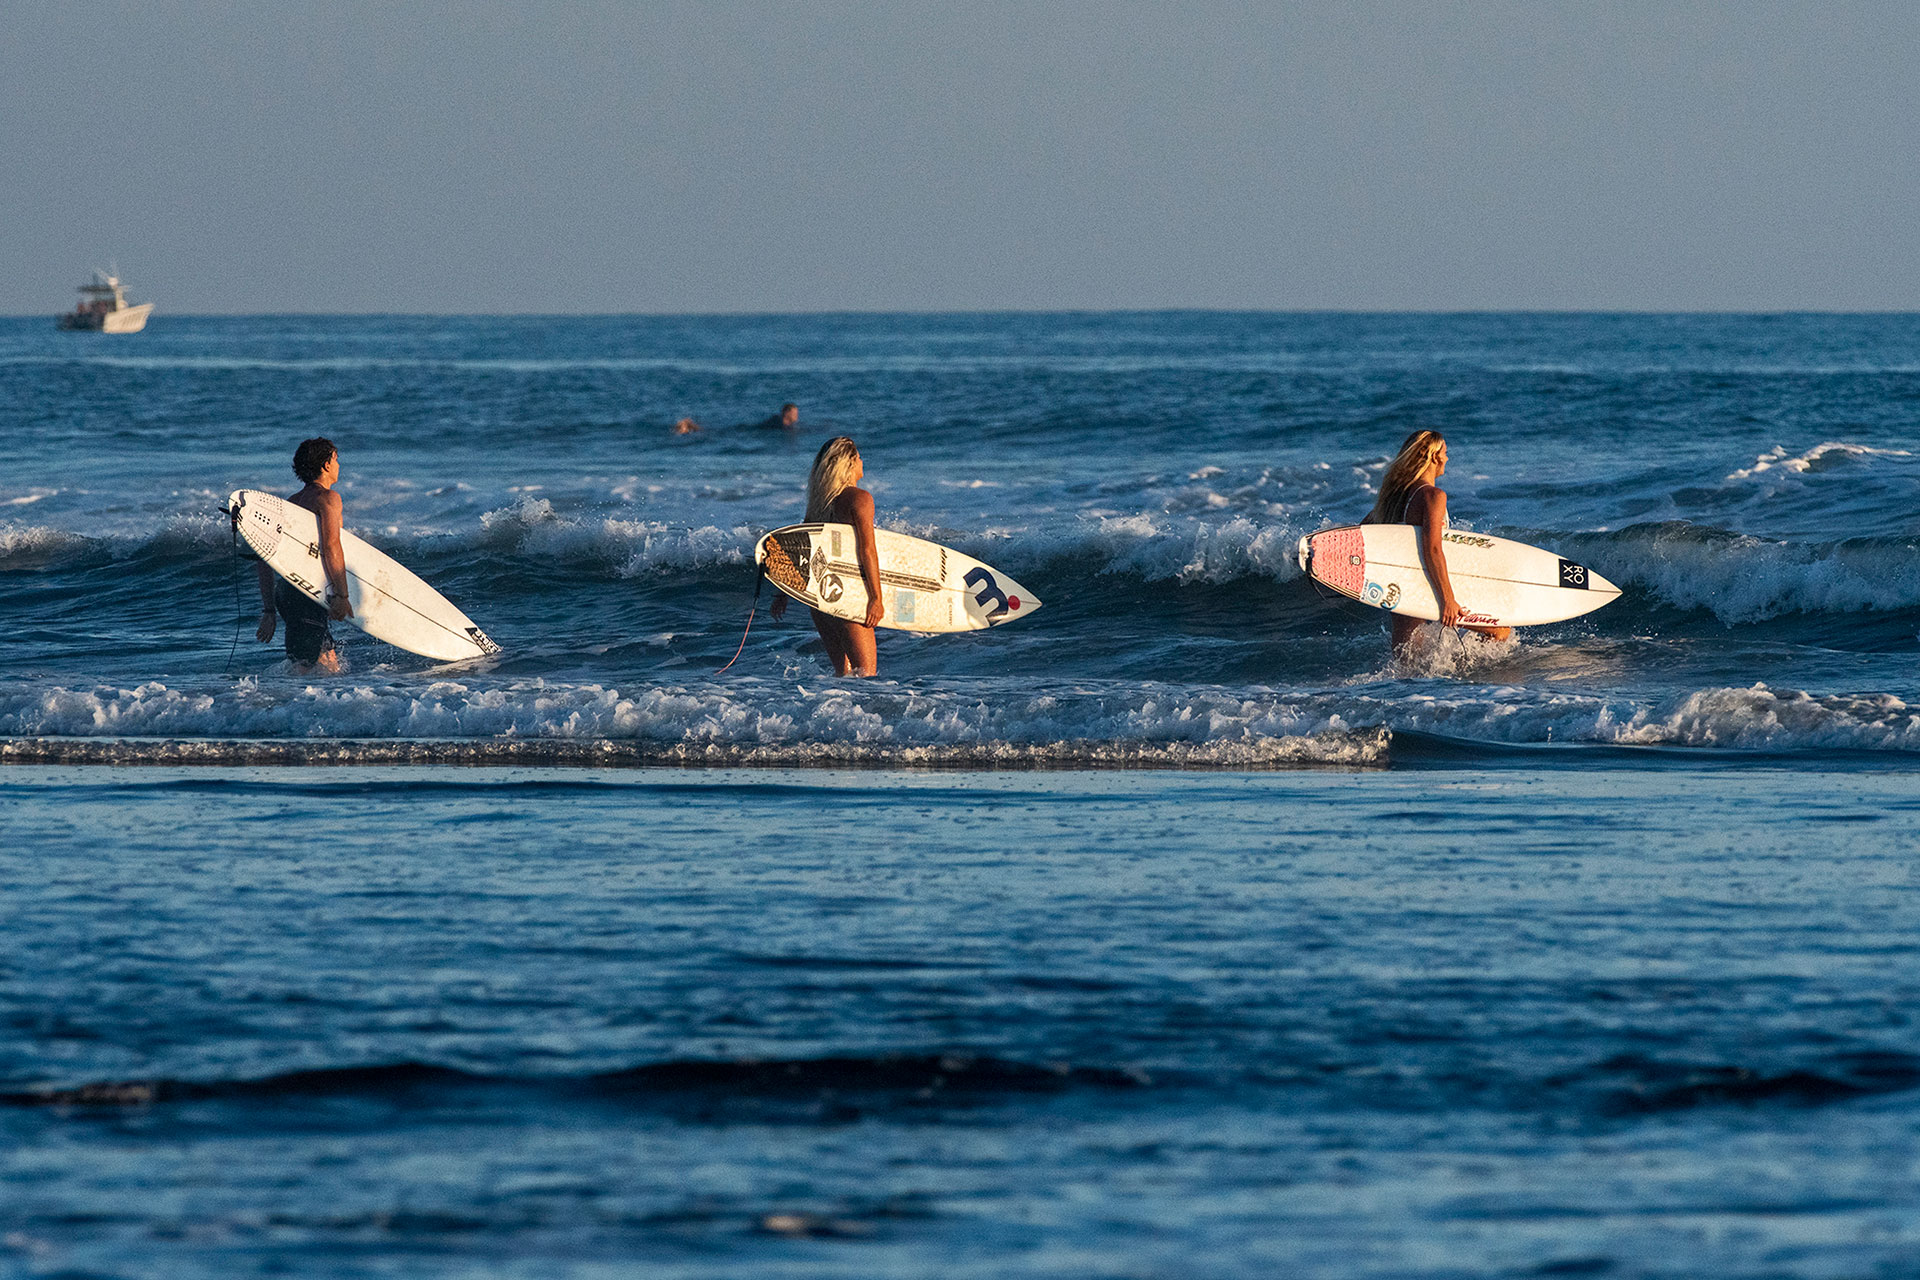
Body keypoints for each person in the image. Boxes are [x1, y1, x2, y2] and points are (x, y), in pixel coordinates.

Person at [1363, 430, 1512, 654]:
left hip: (1400, 583)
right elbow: (1432, 549)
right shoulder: (1433, 496)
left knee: (1407, 650)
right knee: (1500, 631)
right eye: (1445, 452)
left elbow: (1362, 532)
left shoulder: (1394, 498)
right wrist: (1448, 599)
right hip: (1424, 583)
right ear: (1434, 457)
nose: (1447, 458)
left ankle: (1399, 689)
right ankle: (1465, 676)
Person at [770, 436, 883, 675]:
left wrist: (784, 592)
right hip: (850, 601)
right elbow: (867, 550)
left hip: (822, 604)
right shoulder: (860, 499)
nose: (862, 461)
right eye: (859, 457)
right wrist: (875, 598)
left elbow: (802, 548)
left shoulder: (818, 505)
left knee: (843, 676)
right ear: (849, 463)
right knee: (867, 679)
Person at [254, 437, 353, 673]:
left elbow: (263, 556)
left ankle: (301, 708)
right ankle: (268, 705)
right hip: (307, 595)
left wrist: (269, 609)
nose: (339, 465)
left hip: (289, 591)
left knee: (330, 666)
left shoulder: (291, 503)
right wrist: (342, 594)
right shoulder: (328, 498)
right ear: (327, 465)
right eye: (336, 460)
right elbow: (331, 546)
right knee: (305, 670)